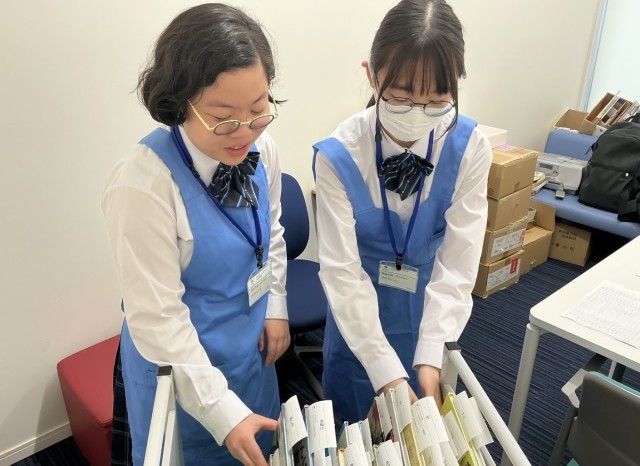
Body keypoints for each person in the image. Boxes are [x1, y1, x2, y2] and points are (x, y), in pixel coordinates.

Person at [101, 4, 290, 465]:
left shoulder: (261, 148)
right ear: (180, 102)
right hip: (179, 364)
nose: (244, 132)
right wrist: (221, 412)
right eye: (222, 116)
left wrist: (276, 306)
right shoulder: (143, 185)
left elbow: (271, 231)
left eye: (259, 109)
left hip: (248, 344)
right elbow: (158, 317)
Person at [313, 0, 492, 423]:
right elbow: (342, 273)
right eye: (401, 96)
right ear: (371, 75)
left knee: (423, 431)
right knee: (354, 429)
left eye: (437, 100)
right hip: (357, 321)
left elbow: (458, 264)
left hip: (430, 312)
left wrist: (431, 352)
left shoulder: (470, 148)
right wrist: (384, 370)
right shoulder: (339, 155)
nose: (418, 113)